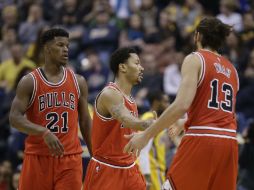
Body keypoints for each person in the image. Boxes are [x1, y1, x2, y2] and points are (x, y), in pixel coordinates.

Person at [124, 17, 239, 190]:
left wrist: (146, 135)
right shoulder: (232, 70)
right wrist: (184, 122)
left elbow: (181, 105)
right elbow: (218, 112)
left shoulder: (195, 59)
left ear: (197, 36)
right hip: (229, 142)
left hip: (202, 140)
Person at [9, 28, 92, 190]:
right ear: (47, 48)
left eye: (67, 45)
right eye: (60, 45)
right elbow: (14, 118)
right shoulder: (29, 81)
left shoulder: (78, 81)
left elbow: (85, 121)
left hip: (70, 159)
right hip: (38, 158)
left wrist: (95, 155)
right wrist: (43, 132)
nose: (66, 49)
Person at [83, 47, 155, 190]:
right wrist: (158, 123)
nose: (141, 68)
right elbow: (127, 120)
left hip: (130, 168)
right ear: (122, 67)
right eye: (136, 63)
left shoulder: (131, 100)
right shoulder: (110, 94)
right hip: (107, 169)